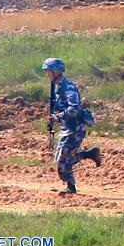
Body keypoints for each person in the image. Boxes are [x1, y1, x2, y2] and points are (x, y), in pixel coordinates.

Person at [44, 58, 101, 195]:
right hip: (67, 127)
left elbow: (74, 109)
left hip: (75, 127)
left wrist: (58, 117)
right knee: (62, 157)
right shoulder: (57, 86)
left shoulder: (68, 88)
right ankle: (90, 154)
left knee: (62, 160)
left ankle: (71, 187)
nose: (47, 75)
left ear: (56, 72)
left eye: (49, 71)